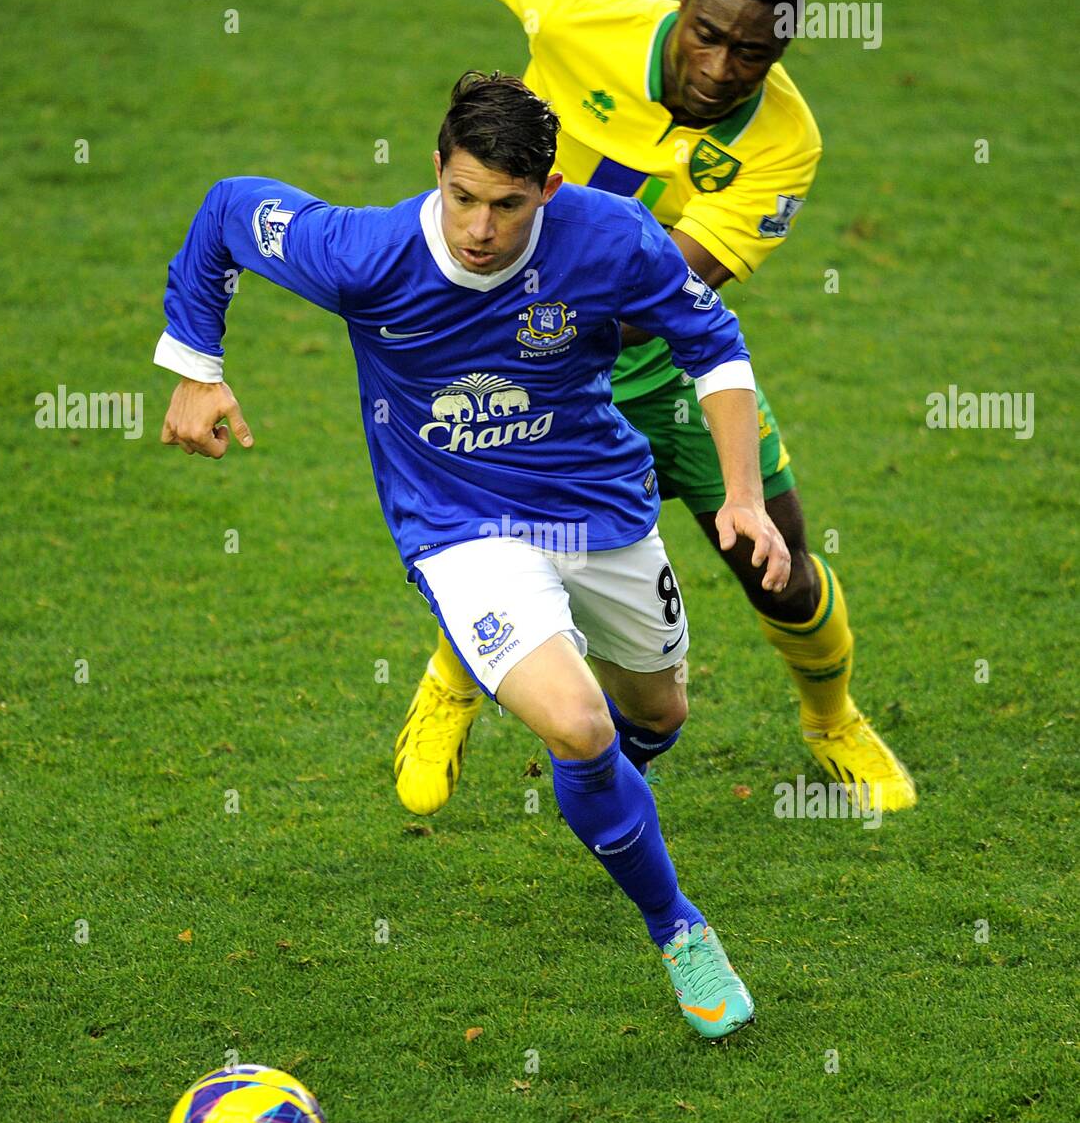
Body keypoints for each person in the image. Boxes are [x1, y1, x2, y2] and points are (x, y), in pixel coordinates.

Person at [154, 71, 790, 1039]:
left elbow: (715, 347)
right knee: (581, 728)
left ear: (549, 190)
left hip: (599, 508)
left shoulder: (613, 236)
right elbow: (227, 211)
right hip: (460, 526)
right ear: (435, 173)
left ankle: (545, 730)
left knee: (656, 715)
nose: (479, 228)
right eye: (460, 197)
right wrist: (197, 371)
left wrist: (743, 494)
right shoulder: (362, 253)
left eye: (504, 204)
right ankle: (678, 927)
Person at [390, 0, 917, 816]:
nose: (718, 68)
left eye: (752, 52)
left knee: (779, 565)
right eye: (706, 35)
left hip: (663, 364)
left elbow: (664, 296)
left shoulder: (783, 143)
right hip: (530, 367)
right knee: (502, 544)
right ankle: (450, 684)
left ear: (786, 47)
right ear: (681, 4)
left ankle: (830, 722)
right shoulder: (576, 7)